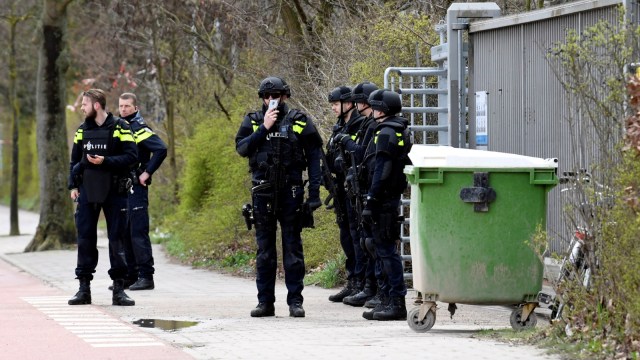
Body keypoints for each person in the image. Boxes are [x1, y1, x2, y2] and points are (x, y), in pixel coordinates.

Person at [235, 76, 323, 318]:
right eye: (267, 96)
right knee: (265, 250)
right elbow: (242, 149)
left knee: (292, 248)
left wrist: (314, 193)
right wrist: (264, 127)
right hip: (263, 192)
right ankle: (265, 302)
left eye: (276, 96)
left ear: (284, 96)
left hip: (291, 192)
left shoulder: (298, 120)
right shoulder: (253, 121)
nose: (271, 100)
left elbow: (315, 156)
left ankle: (295, 301)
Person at [67, 88, 138, 306]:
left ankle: (119, 289)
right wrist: (73, 185)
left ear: (96, 105)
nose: (82, 108)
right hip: (88, 190)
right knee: (85, 238)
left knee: (117, 239)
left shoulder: (121, 127)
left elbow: (132, 157)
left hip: (116, 191)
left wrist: (105, 161)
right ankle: (83, 289)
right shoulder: (82, 130)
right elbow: (74, 161)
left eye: (85, 104)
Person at [359, 89, 412, 321]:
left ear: (381, 109)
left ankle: (397, 303)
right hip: (388, 197)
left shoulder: (387, 132)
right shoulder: (396, 128)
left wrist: (372, 199)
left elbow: (382, 169)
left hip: (383, 199)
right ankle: (387, 299)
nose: (371, 111)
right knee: (379, 248)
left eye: (374, 107)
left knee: (385, 251)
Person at [118, 92, 168, 291]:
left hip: (137, 187)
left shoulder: (139, 128)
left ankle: (146, 277)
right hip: (122, 188)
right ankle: (131, 276)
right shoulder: (120, 127)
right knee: (125, 233)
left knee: (138, 233)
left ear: (135, 108)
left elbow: (161, 149)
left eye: (127, 106)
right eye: (121, 106)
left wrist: (147, 173)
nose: (123, 110)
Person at [338, 81, 381, 307]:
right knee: (361, 240)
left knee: (371, 242)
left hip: (370, 190)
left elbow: (364, 154)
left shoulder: (372, 126)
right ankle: (369, 287)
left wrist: (346, 141)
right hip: (358, 187)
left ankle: (374, 289)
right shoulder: (367, 124)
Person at [325, 86, 367, 303]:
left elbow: (358, 154)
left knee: (356, 234)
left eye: (335, 103)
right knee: (346, 234)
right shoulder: (339, 126)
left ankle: (361, 281)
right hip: (340, 187)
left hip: (354, 187)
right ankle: (352, 280)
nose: (332, 107)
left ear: (348, 103)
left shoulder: (359, 124)